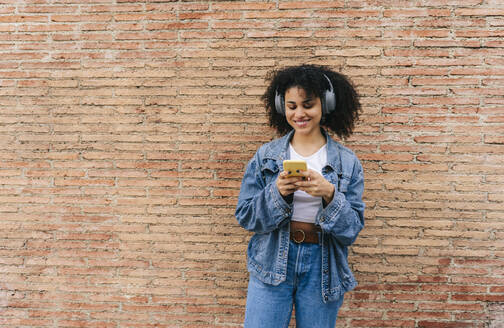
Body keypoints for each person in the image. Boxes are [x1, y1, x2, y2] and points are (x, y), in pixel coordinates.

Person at [235, 64, 365, 328]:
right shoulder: (265, 157)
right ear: (281, 106)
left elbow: (351, 230)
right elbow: (246, 216)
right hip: (271, 260)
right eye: (292, 106)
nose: (299, 113)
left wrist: (329, 194)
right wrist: (276, 194)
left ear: (325, 105)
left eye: (308, 105)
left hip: (322, 265)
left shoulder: (348, 163)